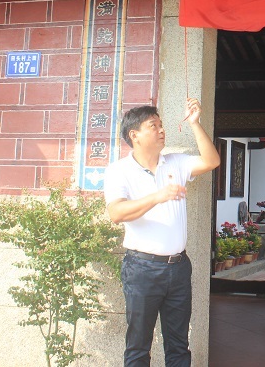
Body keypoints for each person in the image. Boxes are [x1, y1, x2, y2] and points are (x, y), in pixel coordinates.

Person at [104, 98, 220, 367]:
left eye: (161, 125)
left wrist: (195, 123)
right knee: (138, 345)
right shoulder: (119, 171)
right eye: (153, 126)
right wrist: (158, 196)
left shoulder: (175, 163)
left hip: (179, 267)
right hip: (142, 268)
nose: (161, 130)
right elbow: (117, 213)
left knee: (179, 345)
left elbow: (211, 160)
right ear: (134, 135)